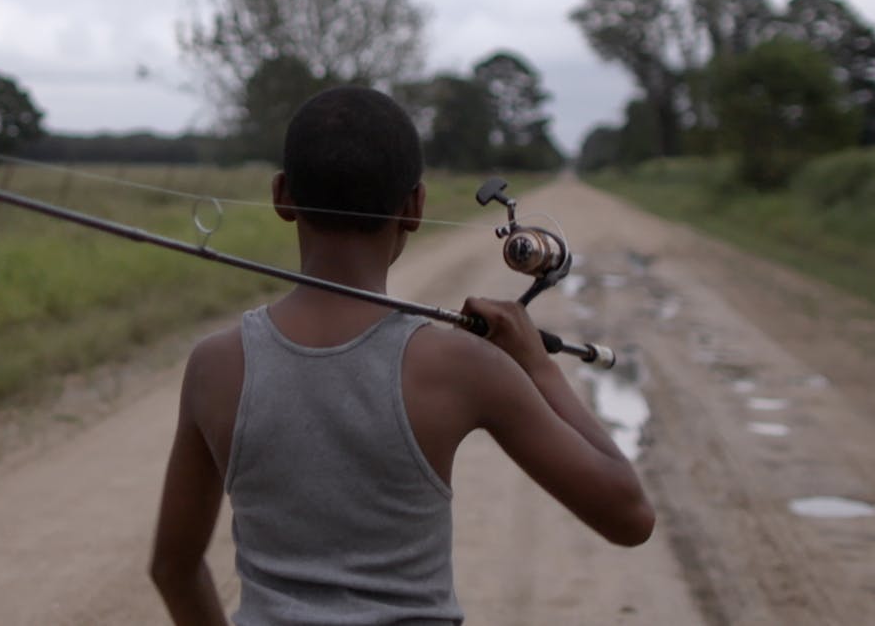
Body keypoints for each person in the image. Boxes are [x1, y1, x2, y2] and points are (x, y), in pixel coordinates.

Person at [148, 86, 655, 626]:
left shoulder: (215, 365)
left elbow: (173, 569)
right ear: (415, 207)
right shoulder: (463, 366)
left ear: (281, 196)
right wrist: (538, 366)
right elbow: (629, 515)